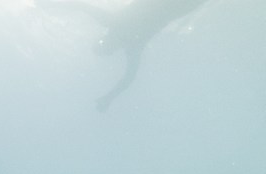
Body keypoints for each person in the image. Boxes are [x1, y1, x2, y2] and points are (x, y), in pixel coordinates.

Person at [41, 0, 209, 111]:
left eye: (103, 44)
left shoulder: (114, 25)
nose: (108, 44)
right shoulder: (132, 45)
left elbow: (81, 6)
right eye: (106, 48)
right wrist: (109, 97)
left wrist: (51, 4)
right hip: (174, 9)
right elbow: (129, 78)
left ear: (104, 37)